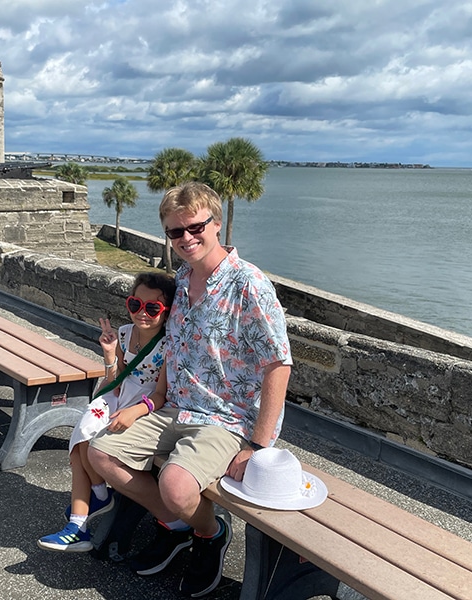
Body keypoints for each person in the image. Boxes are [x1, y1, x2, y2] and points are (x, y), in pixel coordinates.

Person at [88, 182, 292, 598]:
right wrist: (151, 401)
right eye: (175, 232)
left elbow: (278, 366)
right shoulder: (181, 281)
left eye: (195, 227)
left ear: (216, 224)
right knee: (101, 452)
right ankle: (180, 525)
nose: (186, 239)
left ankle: (210, 533)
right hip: (176, 408)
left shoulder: (248, 285)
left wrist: (257, 445)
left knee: (176, 486)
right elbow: (173, 350)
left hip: (227, 419)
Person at [38, 272, 177, 553]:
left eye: (153, 308)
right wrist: (110, 353)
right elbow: (117, 378)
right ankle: (92, 506)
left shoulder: (168, 345)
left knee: (87, 447)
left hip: (143, 405)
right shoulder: (125, 332)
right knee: (80, 442)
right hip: (119, 395)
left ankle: (82, 519)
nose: (142, 313)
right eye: (135, 304)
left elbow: (161, 395)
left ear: (168, 311)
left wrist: (134, 412)